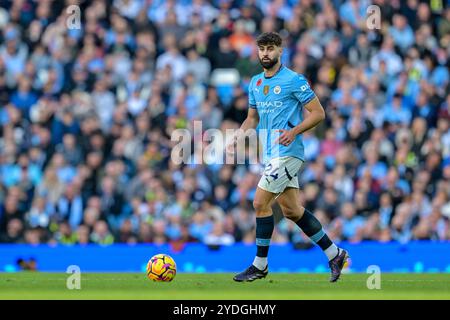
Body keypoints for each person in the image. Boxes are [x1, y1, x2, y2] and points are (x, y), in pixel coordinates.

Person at [227, 32, 349, 283]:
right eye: (261, 49)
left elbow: (318, 113)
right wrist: (238, 138)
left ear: (280, 50)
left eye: (270, 49)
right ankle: (334, 253)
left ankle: (259, 265)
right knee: (292, 211)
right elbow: (252, 118)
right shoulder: (255, 83)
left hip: (289, 153)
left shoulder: (294, 80)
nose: (265, 54)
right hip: (271, 155)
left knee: (260, 203)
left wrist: (294, 132)